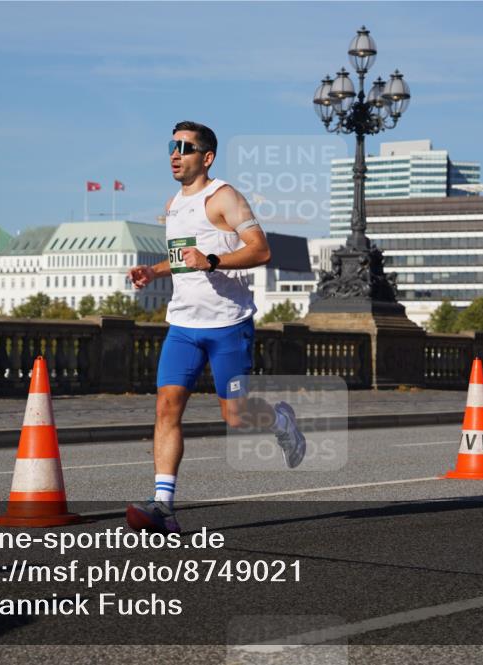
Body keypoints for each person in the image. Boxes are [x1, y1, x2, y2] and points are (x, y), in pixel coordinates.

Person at [124, 121, 306, 534]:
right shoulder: (174, 203)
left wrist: (213, 260)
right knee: (166, 408)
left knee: (237, 417)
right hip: (183, 326)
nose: (175, 153)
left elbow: (261, 250)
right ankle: (163, 506)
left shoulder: (224, 197)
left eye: (185, 147)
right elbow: (182, 257)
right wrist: (152, 271)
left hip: (228, 325)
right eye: (172, 145)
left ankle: (280, 421)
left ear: (206, 157)